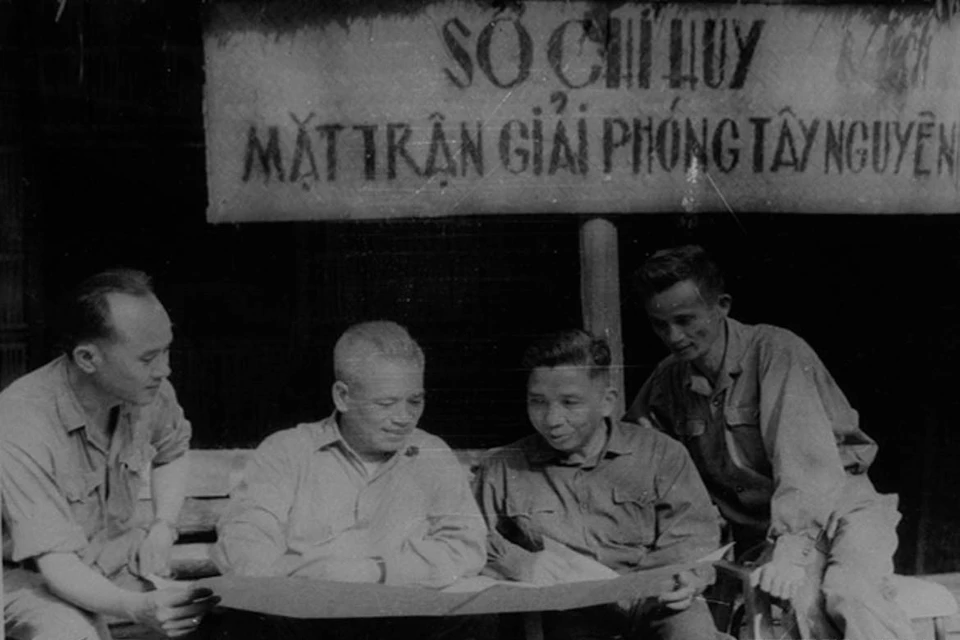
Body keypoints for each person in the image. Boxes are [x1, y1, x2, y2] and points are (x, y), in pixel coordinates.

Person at [624, 244, 915, 640]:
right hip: (756, 533)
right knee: (776, 614)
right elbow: (640, 454)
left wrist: (791, 552)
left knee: (848, 596)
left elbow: (807, 464)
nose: (674, 336)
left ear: (722, 305)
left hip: (840, 509)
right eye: (660, 325)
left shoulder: (775, 351)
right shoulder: (667, 380)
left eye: (685, 319)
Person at [211, 320, 492, 639]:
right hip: (309, 617)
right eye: (386, 403)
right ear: (343, 396)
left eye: (414, 401)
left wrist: (375, 570)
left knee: (478, 618)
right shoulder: (288, 451)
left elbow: (466, 546)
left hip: (403, 617)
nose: (403, 417)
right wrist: (303, 577)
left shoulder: (432, 453)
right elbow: (247, 537)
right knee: (253, 620)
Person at [1, 269, 219, 640]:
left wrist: (163, 527)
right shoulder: (20, 421)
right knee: (71, 632)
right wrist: (134, 607)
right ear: (88, 357)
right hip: (32, 583)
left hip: (119, 570)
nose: (164, 370)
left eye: (167, 350)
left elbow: (173, 450)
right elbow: (56, 565)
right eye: (148, 358)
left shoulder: (149, 392)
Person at [475, 330, 723, 640]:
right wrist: (518, 563)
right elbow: (469, 543)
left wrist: (689, 576)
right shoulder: (503, 467)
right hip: (566, 614)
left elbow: (693, 536)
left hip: (660, 603)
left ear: (607, 402)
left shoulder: (661, 454)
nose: (552, 419)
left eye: (570, 402)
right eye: (537, 402)